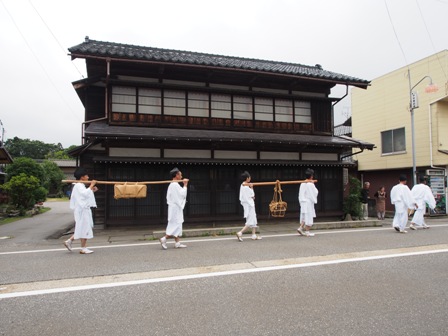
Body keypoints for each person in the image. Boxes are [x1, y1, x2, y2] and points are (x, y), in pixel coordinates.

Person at [63, 167, 98, 254]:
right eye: (86, 176)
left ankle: (69, 241)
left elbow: (85, 195)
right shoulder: (78, 185)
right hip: (82, 210)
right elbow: (84, 194)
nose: (88, 177)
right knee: (84, 227)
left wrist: (92, 190)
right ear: (82, 177)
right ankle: (83, 247)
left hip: (83, 209)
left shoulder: (80, 185)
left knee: (82, 227)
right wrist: (91, 185)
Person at [159, 167, 189, 249]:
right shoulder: (174, 185)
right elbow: (182, 194)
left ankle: (177, 242)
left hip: (174, 208)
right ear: (176, 175)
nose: (182, 176)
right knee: (175, 224)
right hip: (175, 209)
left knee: (177, 224)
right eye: (180, 174)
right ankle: (164, 239)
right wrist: (185, 185)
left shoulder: (173, 185)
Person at [236, 171, 262, 241]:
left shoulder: (242, 185)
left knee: (253, 219)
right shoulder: (246, 186)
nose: (250, 178)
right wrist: (252, 187)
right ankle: (240, 233)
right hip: (249, 205)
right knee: (250, 221)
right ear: (247, 178)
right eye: (249, 177)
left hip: (248, 205)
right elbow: (253, 195)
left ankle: (253, 235)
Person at [297, 168, 318, 237]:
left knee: (304, 216)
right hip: (308, 202)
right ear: (311, 176)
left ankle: (300, 228)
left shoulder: (302, 183)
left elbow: (300, 194)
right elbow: (315, 192)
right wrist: (313, 184)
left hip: (303, 202)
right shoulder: (310, 184)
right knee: (308, 216)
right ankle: (307, 231)